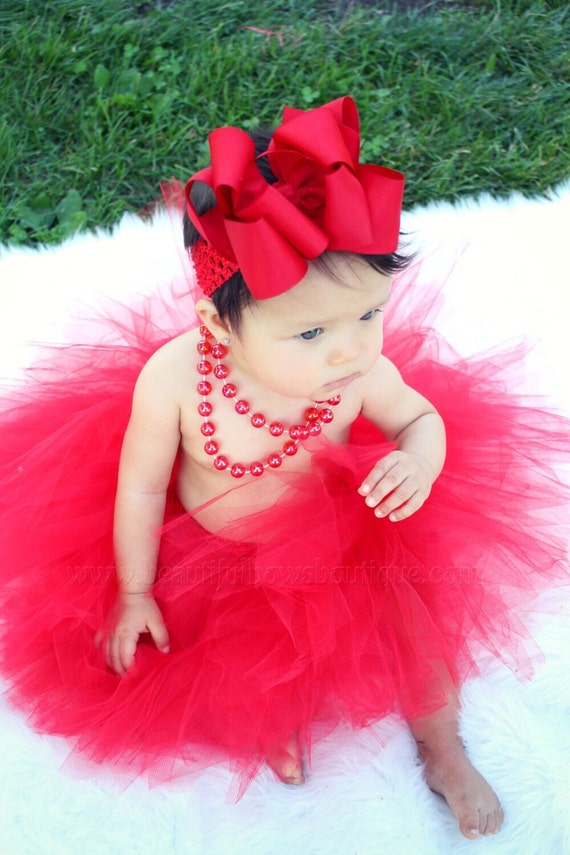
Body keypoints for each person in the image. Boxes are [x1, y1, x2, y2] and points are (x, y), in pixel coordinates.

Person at [0, 97, 567, 840]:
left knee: (412, 627)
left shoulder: (361, 373)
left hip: (334, 536)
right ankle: (274, 720)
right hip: (218, 553)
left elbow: (420, 417)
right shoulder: (173, 381)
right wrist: (136, 589)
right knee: (236, 653)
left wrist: (419, 462)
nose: (349, 350)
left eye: (368, 316)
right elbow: (139, 484)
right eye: (312, 330)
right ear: (216, 325)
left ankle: (442, 745)